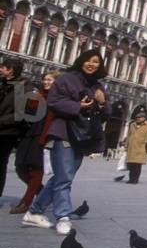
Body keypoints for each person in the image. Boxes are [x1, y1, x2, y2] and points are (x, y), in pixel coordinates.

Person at [23, 49, 111, 235]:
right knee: (64, 178)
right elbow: (53, 102)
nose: (91, 64)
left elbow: (106, 115)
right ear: (81, 61)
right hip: (63, 132)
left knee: (63, 176)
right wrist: (78, 106)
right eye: (88, 60)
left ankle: (34, 212)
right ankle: (62, 216)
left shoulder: (98, 86)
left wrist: (102, 103)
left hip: (83, 137)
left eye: (96, 61)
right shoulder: (66, 79)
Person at [11, 70, 56, 214]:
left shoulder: (57, 98)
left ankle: (26, 202)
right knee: (20, 167)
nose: (46, 82)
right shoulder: (37, 94)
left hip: (42, 136)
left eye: (49, 80)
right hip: (28, 134)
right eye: (44, 79)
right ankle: (42, 192)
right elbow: (26, 110)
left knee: (36, 169)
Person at [0, 58, 30, 200]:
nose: (1, 69)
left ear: (11, 70)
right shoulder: (4, 84)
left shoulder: (19, 88)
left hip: (7, 133)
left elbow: (19, 114)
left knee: (1, 163)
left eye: (3, 67)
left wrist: (1, 121)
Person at [123, 110, 147, 184]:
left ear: (144, 118)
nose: (138, 119)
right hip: (131, 147)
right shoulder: (132, 125)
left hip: (140, 147)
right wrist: (126, 145)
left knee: (137, 164)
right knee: (131, 164)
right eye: (137, 117)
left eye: (139, 117)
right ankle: (131, 179)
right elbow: (128, 135)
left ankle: (135, 179)